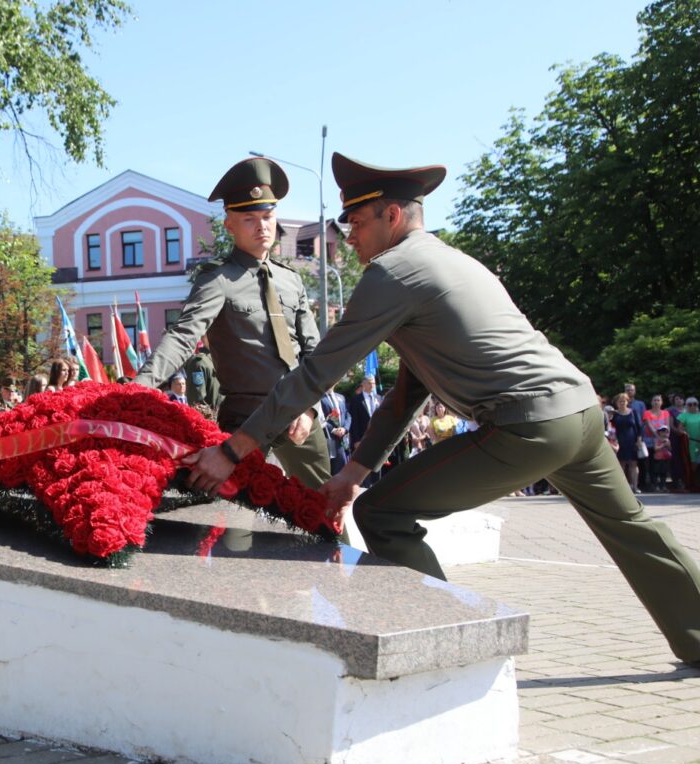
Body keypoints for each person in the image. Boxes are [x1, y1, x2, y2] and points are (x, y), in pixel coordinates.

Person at [182, 151, 700, 664]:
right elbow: (409, 392)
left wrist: (233, 449)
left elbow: (317, 373)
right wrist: (354, 471)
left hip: (528, 426)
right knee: (636, 532)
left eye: (358, 222)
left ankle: (458, 653)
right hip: (581, 413)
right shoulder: (450, 259)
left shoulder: (394, 274)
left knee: (383, 515)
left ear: (392, 216)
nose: (351, 238)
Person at [134, 157, 330, 489]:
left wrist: (312, 407)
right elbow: (184, 336)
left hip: (299, 413)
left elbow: (318, 354)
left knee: (326, 513)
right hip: (244, 418)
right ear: (229, 226)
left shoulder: (291, 281)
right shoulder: (218, 279)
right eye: (249, 218)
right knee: (231, 528)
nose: (262, 227)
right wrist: (138, 388)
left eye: (267, 217)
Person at [611, 392, 641, 492]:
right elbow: (611, 428)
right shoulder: (614, 414)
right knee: (621, 465)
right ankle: (623, 488)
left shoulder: (633, 412)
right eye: (620, 401)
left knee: (633, 464)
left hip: (632, 441)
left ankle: (635, 487)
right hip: (619, 442)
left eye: (624, 401)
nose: (622, 403)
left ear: (627, 401)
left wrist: (639, 440)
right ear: (616, 403)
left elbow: (639, 427)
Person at [183, 340, 222, 409]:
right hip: (211, 417)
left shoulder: (221, 359)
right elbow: (196, 402)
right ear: (205, 337)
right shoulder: (199, 363)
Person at [321, 385, 351, 475]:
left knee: (345, 462)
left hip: (343, 437)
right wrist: (333, 430)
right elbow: (320, 418)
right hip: (328, 437)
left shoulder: (341, 397)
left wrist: (345, 428)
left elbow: (347, 415)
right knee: (335, 466)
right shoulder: (319, 398)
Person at [651, 424, 672, 493]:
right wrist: (663, 445)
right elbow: (655, 448)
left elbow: (670, 449)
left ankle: (663, 486)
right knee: (656, 473)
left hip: (665, 458)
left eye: (666, 431)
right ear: (659, 432)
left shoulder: (667, 440)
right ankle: (656, 486)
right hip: (658, 458)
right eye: (663, 431)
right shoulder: (656, 440)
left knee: (664, 473)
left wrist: (668, 444)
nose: (664, 433)